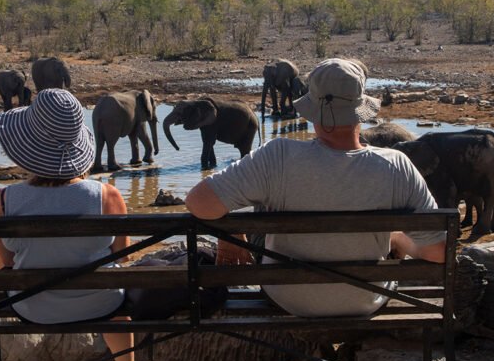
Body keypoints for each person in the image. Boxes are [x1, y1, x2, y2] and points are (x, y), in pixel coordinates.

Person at [184, 58, 445, 317]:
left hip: (287, 298)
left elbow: (198, 202)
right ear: (360, 108)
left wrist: (231, 230)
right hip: (365, 300)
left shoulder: (277, 156)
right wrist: (397, 237)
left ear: (312, 108)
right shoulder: (397, 165)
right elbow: (438, 251)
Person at [0, 88, 148, 361]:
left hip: (33, 306)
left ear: (27, 146)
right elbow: (123, 258)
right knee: (116, 297)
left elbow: (3, 267)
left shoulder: (4, 199)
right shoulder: (108, 196)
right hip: (101, 304)